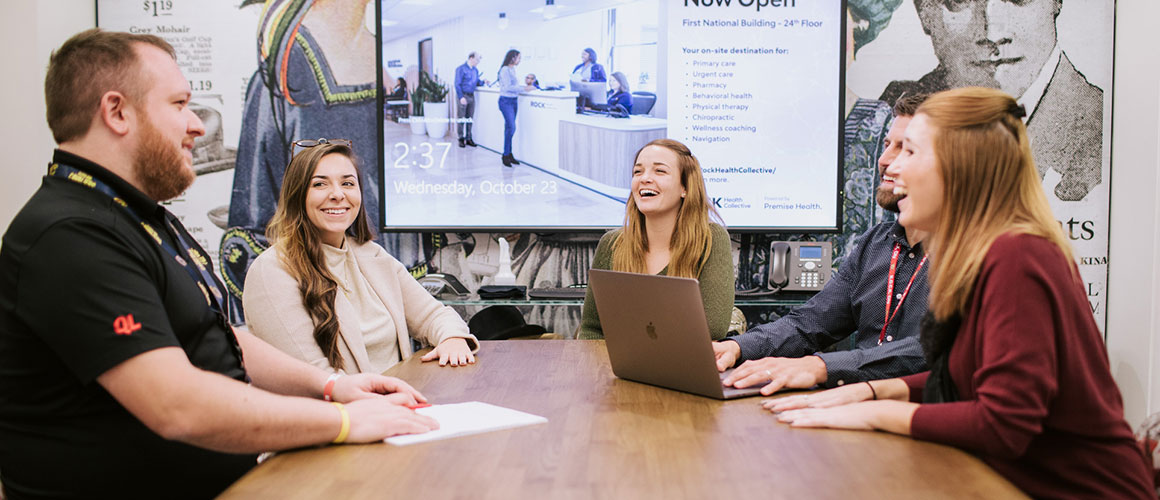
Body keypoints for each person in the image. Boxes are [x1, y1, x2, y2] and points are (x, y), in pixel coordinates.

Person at [0, 29, 439, 499]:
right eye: (178, 104)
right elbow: (176, 405)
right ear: (116, 112)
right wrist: (344, 421)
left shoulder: (140, 218)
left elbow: (219, 337)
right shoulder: (70, 235)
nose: (196, 125)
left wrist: (332, 387)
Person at [770, 87, 1154, 499]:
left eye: (911, 152)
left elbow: (1004, 425)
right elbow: (963, 380)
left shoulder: (1017, 257)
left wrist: (873, 413)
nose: (892, 167)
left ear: (959, 167)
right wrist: (871, 389)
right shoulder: (987, 252)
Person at [714, 94, 930, 395]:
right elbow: (811, 322)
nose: (885, 161)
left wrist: (821, 367)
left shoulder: (972, 251)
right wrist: (735, 347)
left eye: (906, 150)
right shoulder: (875, 244)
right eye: (887, 145)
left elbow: (934, 352)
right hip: (853, 406)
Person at [243, 140, 480, 372]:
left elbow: (433, 316)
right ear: (297, 195)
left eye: (347, 183)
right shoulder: (272, 271)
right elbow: (315, 378)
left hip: (399, 400)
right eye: (319, 184)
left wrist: (452, 339)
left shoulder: (372, 255)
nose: (337, 194)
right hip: (342, 409)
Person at [878, 0, 1101, 202]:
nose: (992, 32)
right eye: (960, 1)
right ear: (923, 12)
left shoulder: (1106, 130)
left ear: (1056, 2)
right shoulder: (881, 119)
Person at [579, 139, 733, 340]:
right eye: (638, 172)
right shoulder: (612, 244)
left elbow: (711, 330)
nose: (645, 179)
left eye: (660, 171)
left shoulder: (712, 239)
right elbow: (591, 330)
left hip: (682, 368)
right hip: (617, 368)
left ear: (684, 187)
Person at [497, 49, 533, 168]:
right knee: (511, 127)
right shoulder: (505, 70)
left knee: (509, 128)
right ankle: (505, 154)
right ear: (512, 58)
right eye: (518, 58)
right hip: (505, 101)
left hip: (513, 101)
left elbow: (513, 86)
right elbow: (507, 87)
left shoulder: (512, 69)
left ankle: (509, 154)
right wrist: (523, 88)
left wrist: (524, 88)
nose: (520, 60)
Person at [454, 52, 485, 148]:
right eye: (477, 60)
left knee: (470, 118)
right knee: (461, 118)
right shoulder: (461, 69)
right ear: (471, 58)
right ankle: (460, 138)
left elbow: (476, 82)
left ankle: (468, 138)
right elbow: (457, 84)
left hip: (471, 96)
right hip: (463, 95)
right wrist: (461, 97)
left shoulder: (475, 70)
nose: (478, 62)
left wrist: (483, 82)